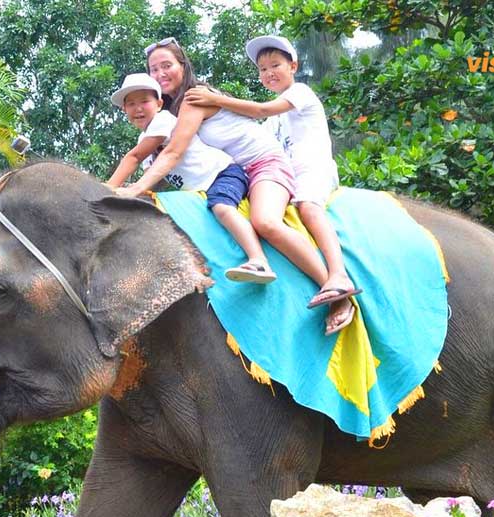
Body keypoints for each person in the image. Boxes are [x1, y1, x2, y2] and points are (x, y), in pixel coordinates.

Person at [116, 38, 354, 334]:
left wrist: (134, 188)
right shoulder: (170, 115)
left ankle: (335, 287)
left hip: (264, 165)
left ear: (183, 66)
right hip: (241, 173)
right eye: (154, 69)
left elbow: (173, 153)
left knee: (265, 221)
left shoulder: (194, 98)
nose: (161, 73)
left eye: (167, 65)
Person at [184, 35, 359, 326]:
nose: (268, 73)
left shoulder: (300, 93)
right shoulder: (271, 124)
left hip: (311, 170)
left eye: (275, 65)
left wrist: (215, 100)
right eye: (262, 69)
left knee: (308, 208)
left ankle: (338, 275)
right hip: (287, 176)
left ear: (293, 65)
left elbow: (260, 109)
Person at [106, 73, 275, 283]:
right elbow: (154, 177)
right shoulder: (146, 138)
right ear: (124, 110)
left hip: (223, 174)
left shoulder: (163, 120)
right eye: (131, 104)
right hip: (200, 189)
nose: (138, 108)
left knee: (222, 207)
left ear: (159, 104)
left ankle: (258, 259)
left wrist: (108, 188)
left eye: (144, 101)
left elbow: (134, 156)